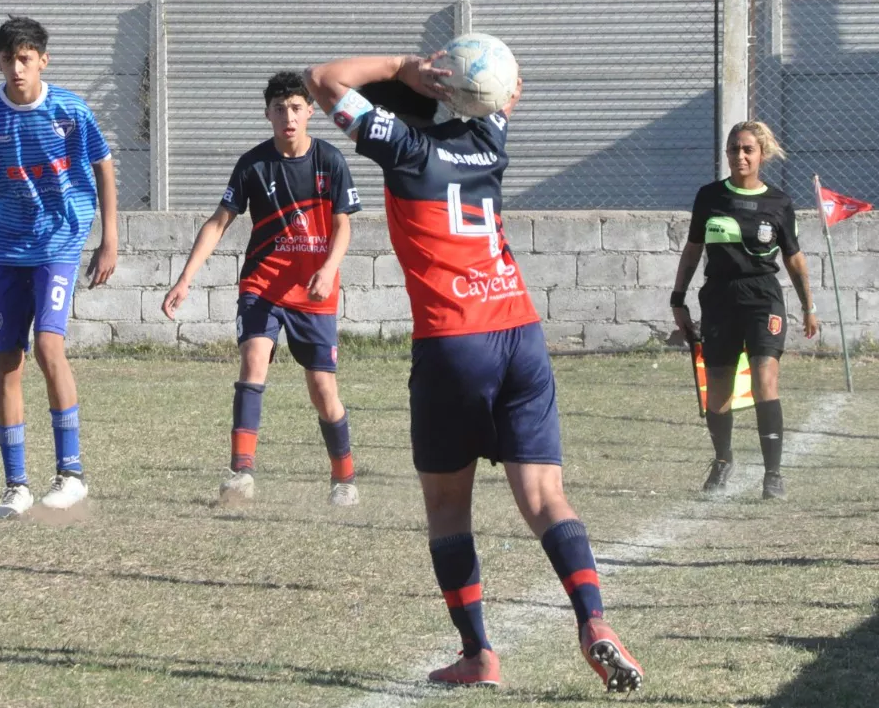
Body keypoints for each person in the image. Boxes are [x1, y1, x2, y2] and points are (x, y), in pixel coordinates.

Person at [302, 53, 642, 692]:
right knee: (546, 498)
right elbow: (511, 85)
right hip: (519, 332)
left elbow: (320, 79)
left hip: (455, 342)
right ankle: (594, 621)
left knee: (448, 506)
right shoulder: (490, 138)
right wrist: (467, 80)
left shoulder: (402, 148)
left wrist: (404, 65)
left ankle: (479, 654)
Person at [0, 16, 118, 518]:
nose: (17, 69)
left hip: (59, 240)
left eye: (25, 58)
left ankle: (71, 473)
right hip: (3, 246)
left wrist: (110, 238)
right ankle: (15, 484)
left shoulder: (69, 110)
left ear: (43, 60)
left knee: (48, 345)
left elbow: (103, 165)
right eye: (7, 59)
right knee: (6, 360)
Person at [161, 71, 364, 506]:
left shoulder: (330, 161)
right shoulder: (253, 164)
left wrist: (329, 268)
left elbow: (344, 225)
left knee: (323, 391)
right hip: (262, 285)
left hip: (314, 291)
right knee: (253, 362)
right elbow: (218, 223)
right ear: (267, 114)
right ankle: (241, 474)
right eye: (279, 109)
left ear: (310, 111)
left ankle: (344, 479)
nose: (288, 117)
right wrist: (185, 279)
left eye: (295, 108)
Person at [671, 121, 819, 500]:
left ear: (761, 154)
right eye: (734, 149)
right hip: (719, 297)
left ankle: (773, 475)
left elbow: (795, 260)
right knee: (718, 386)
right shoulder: (709, 197)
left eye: (748, 149)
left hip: (763, 298)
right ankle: (722, 461)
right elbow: (692, 251)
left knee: (764, 377)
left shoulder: (779, 203)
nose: (740, 156)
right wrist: (678, 298)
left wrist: (808, 307)